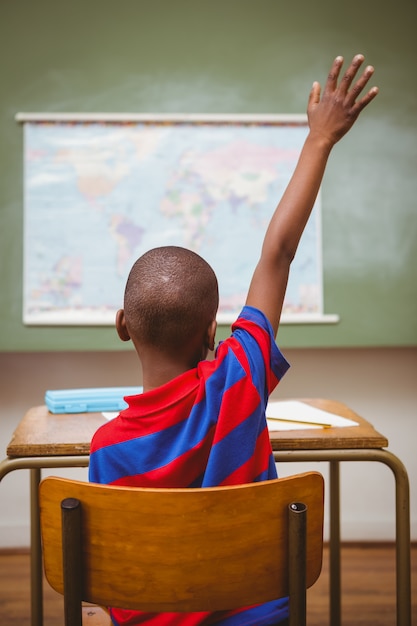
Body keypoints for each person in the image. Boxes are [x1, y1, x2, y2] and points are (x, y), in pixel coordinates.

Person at [89, 54, 378, 626]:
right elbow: (279, 253)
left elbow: (113, 581)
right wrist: (320, 139)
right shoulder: (238, 377)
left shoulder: (106, 448)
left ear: (122, 324)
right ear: (212, 332)